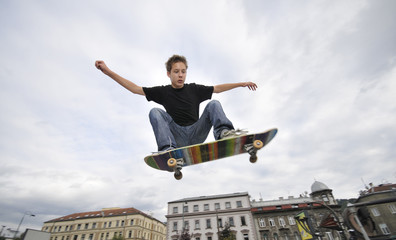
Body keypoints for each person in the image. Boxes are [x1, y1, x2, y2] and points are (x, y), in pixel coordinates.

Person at [95, 55, 257, 151]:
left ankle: (224, 134)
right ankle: (167, 149)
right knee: (155, 112)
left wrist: (240, 84)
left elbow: (218, 88)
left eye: (183, 72)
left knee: (213, 103)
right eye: (176, 72)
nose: (180, 75)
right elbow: (135, 89)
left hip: (196, 133)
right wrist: (107, 71)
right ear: (169, 73)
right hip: (177, 137)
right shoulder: (163, 91)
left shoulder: (194, 89)